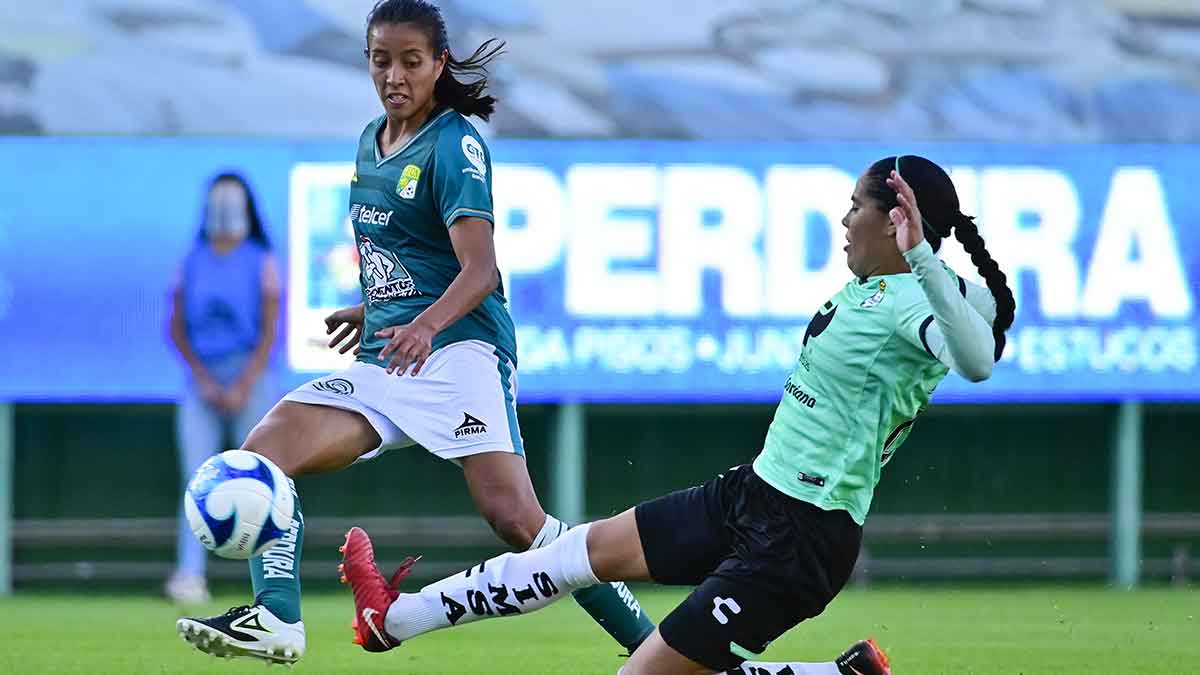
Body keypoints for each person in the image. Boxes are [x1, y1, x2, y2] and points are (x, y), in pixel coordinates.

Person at [340, 154, 1017, 675]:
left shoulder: (917, 300)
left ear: (895, 218)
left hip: (800, 540)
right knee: (575, 553)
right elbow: (982, 312)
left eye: (854, 207)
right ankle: (392, 619)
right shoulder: (896, 288)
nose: (843, 221)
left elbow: (978, 358)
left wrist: (923, 251)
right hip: (753, 492)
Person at [175, 0, 653, 663]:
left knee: (519, 523)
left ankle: (653, 645)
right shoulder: (372, 141)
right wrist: (370, 310)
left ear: (438, 64)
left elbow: (479, 271)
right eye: (380, 60)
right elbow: (408, 260)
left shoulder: (455, 143)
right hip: (389, 357)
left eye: (410, 61)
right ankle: (276, 617)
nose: (394, 75)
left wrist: (424, 325)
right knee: (265, 448)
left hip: (459, 351)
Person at [166, 172, 281, 605]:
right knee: (197, 479)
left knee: (262, 482)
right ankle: (188, 576)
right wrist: (204, 380)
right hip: (202, 381)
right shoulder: (191, 260)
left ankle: (271, 582)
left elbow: (271, 329)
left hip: (252, 378)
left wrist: (244, 382)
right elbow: (175, 327)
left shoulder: (261, 260)